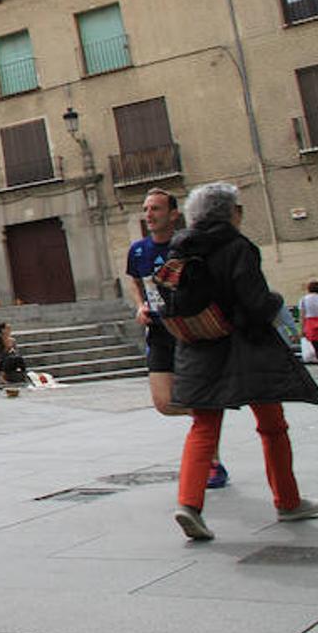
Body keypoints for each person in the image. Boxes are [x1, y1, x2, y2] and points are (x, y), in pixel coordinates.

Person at [168, 182, 318, 541]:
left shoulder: (182, 247)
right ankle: (287, 501)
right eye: (239, 208)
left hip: (201, 345)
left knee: (204, 427)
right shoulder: (238, 247)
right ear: (230, 212)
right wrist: (274, 303)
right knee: (272, 426)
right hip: (247, 348)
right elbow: (254, 302)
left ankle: (188, 504)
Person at [127, 188, 229, 489]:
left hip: (188, 329)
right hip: (159, 331)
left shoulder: (187, 244)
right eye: (146, 209)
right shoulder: (138, 250)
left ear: (174, 214)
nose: (149, 214)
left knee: (194, 393)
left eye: (156, 208)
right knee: (163, 402)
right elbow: (135, 280)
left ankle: (212, 460)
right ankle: (208, 410)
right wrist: (140, 305)